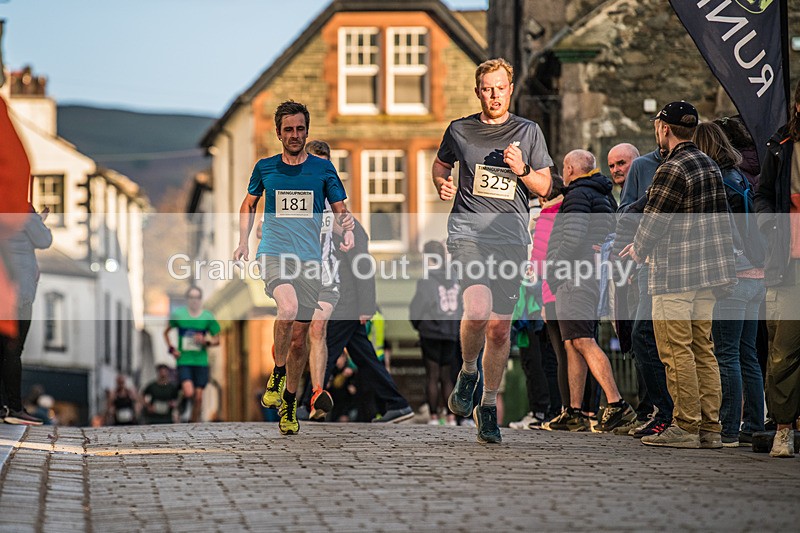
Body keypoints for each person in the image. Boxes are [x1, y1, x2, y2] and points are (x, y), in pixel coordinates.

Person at [433, 58, 555, 444]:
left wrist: (523, 170)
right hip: (467, 232)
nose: (494, 95)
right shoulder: (460, 130)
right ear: (478, 91)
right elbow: (441, 165)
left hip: (511, 239)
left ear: (510, 89)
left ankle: (487, 405)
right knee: (478, 308)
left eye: (501, 88)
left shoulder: (528, 131)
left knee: (500, 329)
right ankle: (469, 370)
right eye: (487, 89)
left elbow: (545, 187)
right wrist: (441, 183)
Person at [234, 101, 354, 435]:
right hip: (274, 253)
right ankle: (277, 373)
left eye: (300, 129)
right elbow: (248, 204)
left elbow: (340, 209)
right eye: (288, 129)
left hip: (310, 261)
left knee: (300, 340)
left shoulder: (323, 170)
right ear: (278, 133)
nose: (295, 135)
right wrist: (243, 241)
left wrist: (348, 230)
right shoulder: (265, 168)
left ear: (307, 131)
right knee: (286, 308)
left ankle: (289, 401)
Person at [623, 101, 736, 449]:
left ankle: (685, 425)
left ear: (665, 128)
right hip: (709, 274)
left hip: (675, 275)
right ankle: (710, 428)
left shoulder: (671, 167)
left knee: (676, 351)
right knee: (704, 349)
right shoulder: (709, 164)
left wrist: (638, 250)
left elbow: (654, 220)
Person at [545, 150, 635, 433]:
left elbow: (573, 237)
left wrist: (553, 267)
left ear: (570, 169)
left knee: (583, 340)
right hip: (590, 274)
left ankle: (616, 404)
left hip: (575, 275)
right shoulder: (603, 193)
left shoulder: (577, 194)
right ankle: (574, 412)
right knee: (574, 341)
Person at [694, 122, 766, 448]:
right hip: (757, 273)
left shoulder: (717, 181)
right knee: (747, 354)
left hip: (734, 276)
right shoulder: (740, 176)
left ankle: (729, 429)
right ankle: (753, 425)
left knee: (726, 353)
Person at [323, 217, 414, 423]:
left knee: (326, 352)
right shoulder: (328, 225)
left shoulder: (348, 226)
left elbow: (363, 267)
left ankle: (308, 403)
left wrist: (366, 306)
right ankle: (397, 403)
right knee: (366, 359)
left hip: (347, 304)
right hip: (343, 302)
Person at [754, 80, 800, 458]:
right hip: (788, 262)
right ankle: (783, 427)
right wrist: (769, 224)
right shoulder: (781, 146)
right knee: (783, 350)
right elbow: (763, 193)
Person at [1, 205, 52, 425]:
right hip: (19, 296)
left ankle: (3, 406)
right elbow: (44, 239)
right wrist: (37, 219)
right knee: (13, 351)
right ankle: (14, 407)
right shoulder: (21, 208)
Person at [411, 240, 461, 426]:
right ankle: (451, 416)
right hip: (451, 332)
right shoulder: (454, 280)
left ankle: (433, 416)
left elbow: (417, 308)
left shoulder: (426, 281)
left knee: (432, 375)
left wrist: (418, 325)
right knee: (447, 376)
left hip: (431, 332)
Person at [164, 286, 220, 423]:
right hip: (184, 360)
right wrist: (172, 349)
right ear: (187, 299)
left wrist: (205, 341)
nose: (194, 300)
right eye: (191, 297)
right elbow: (166, 332)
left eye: (197, 297)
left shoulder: (207, 317)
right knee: (189, 392)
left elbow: (217, 340)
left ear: (200, 299)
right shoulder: (179, 315)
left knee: (199, 397)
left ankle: (193, 423)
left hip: (201, 361)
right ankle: (180, 402)